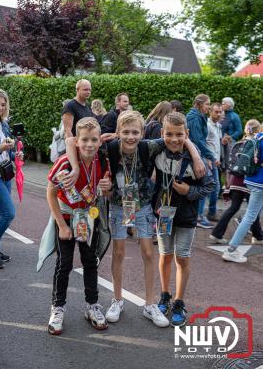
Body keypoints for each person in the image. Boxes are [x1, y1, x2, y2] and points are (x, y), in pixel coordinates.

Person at [65, 110, 205, 328]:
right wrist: (76, 167)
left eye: (135, 132)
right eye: (126, 132)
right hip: (119, 207)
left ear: (142, 133)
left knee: (149, 253)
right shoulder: (109, 147)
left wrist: (195, 157)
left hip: (144, 208)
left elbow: (180, 137)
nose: (131, 137)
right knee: (118, 253)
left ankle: (149, 305)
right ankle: (117, 300)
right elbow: (71, 140)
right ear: (119, 132)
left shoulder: (148, 146)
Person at [47, 117, 112, 335]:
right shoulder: (65, 162)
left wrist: (107, 187)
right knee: (64, 264)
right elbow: (50, 192)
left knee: (90, 262)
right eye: (85, 139)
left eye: (94, 139)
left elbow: (106, 189)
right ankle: (57, 308)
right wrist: (61, 225)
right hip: (66, 217)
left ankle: (92, 306)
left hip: (88, 217)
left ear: (100, 141)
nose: (89, 144)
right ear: (77, 141)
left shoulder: (102, 161)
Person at [153, 112, 214, 327]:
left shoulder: (194, 160)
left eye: (179, 134)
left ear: (186, 134)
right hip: (163, 215)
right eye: (169, 134)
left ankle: (179, 301)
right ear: (162, 134)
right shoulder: (157, 152)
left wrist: (190, 190)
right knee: (165, 255)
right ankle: (164, 295)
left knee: (182, 258)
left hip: (187, 217)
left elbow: (210, 186)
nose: (174, 139)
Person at [210, 119, 263, 245]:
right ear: (258, 129)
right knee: (252, 211)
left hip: (235, 180)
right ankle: (256, 237)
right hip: (249, 181)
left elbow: (231, 163)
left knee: (236, 208)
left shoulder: (240, 143)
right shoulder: (256, 143)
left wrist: (228, 181)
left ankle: (217, 233)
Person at [222, 122, 263, 263]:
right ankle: (231, 249)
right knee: (250, 215)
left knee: (251, 214)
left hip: (251, 179)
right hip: (260, 183)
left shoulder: (259, 137)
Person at [0, 89, 23, 269]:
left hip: (5, 173)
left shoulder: (4, 124)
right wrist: (0, 149)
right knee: (8, 213)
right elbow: (0, 149)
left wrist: (15, 153)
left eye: (3, 104)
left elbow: (9, 149)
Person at [186, 94, 215, 228]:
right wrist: (210, 156)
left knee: (205, 185)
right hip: (195, 155)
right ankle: (198, 216)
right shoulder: (194, 118)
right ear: (199, 104)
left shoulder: (199, 117)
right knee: (204, 185)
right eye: (207, 104)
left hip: (198, 154)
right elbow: (197, 140)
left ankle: (198, 215)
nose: (209, 107)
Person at [199, 103, 222, 222]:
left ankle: (210, 212)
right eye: (216, 112)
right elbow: (203, 142)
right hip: (208, 161)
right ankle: (201, 215)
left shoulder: (218, 126)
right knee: (208, 186)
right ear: (210, 112)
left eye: (220, 112)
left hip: (214, 161)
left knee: (215, 187)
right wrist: (208, 158)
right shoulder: (207, 125)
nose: (218, 114)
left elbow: (215, 144)